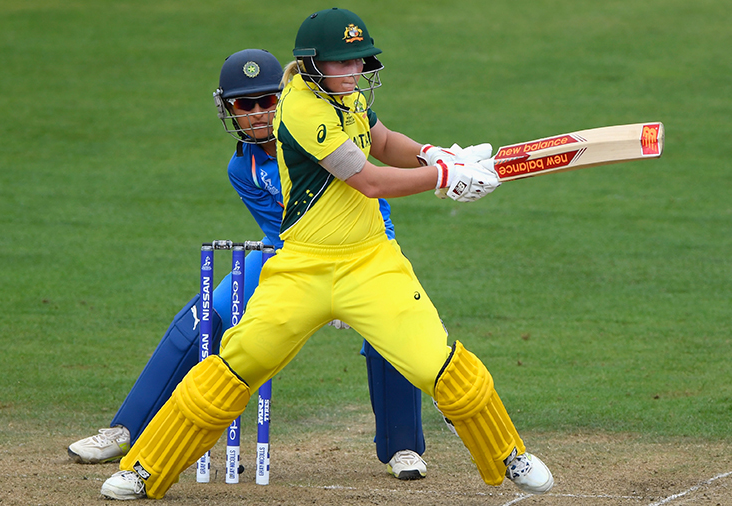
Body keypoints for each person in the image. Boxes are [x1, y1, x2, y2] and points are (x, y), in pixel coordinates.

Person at [100, 8, 554, 500]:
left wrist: (433, 154)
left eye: (360, 62)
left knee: (438, 364)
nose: (355, 71)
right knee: (235, 366)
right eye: (344, 62)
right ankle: (145, 467)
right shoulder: (301, 109)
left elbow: (383, 141)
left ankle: (510, 454)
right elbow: (370, 180)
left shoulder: (346, 95)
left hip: (371, 264)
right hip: (303, 268)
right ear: (313, 64)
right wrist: (446, 178)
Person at [69, 48, 429, 482]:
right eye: (245, 103)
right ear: (229, 109)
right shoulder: (243, 168)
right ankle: (127, 430)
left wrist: (358, 275)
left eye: (267, 100)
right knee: (206, 314)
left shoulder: (323, 128)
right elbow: (280, 231)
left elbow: (375, 205)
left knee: (390, 328)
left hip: (360, 251)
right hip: (287, 256)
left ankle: (403, 447)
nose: (257, 113)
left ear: (284, 98)